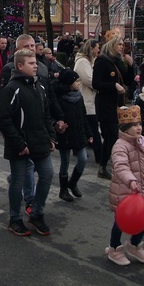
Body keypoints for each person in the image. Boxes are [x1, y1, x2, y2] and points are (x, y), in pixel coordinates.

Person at [0, 49, 57, 236]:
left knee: (47, 174)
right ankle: (15, 219)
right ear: (20, 66)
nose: (35, 66)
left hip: (40, 141)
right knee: (18, 181)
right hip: (20, 145)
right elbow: (4, 120)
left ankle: (37, 213)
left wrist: (51, 136)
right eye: (31, 63)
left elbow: (45, 114)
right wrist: (19, 144)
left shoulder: (39, 87)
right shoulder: (11, 89)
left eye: (36, 63)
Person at [106, 106, 144, 266]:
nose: (139, 127)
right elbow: (120, 166)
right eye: (134, 125)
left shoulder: (137, 143)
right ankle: (114, 249)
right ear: (125, 128)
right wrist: (130, 180)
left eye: (139, 124)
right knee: (119, 223)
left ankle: (134, 245)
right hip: (123, 191)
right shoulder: (120, 145)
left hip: (138, 191)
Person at [93, 29, 132, 179]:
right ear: (112, 45)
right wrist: (113, 86)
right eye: (119, 44)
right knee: (113, 136)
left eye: (123, 44)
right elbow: (96, 83)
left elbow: (128, 81)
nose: (122, 46)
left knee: (112, 137)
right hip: (105, 104)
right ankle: (112, 166)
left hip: (118, 104)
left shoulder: (118, 60)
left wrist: (130, 65)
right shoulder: (102, 61)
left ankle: (104, 166)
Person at [53, 69, 92, 202]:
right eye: (76, 81)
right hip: (65, 135)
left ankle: (73, 182)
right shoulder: (59, 98)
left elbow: (83, 116)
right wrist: (58, 126)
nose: (79, 83)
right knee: (65, 162)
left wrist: (89, 133)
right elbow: (55, 116)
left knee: (83, 158)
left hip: (79, 133)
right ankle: (63, 189)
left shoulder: (78, 97)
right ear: (69, 83)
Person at [74, 39, 103, 166]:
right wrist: (102, 86)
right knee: (92, 129)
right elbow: (90, 80)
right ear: (91, 49)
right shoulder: (82, 62)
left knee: (90, 128)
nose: (98, 50)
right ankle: (99, 155)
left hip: (91, 100)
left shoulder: (91, 61)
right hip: (86, 100)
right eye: (97, 48)